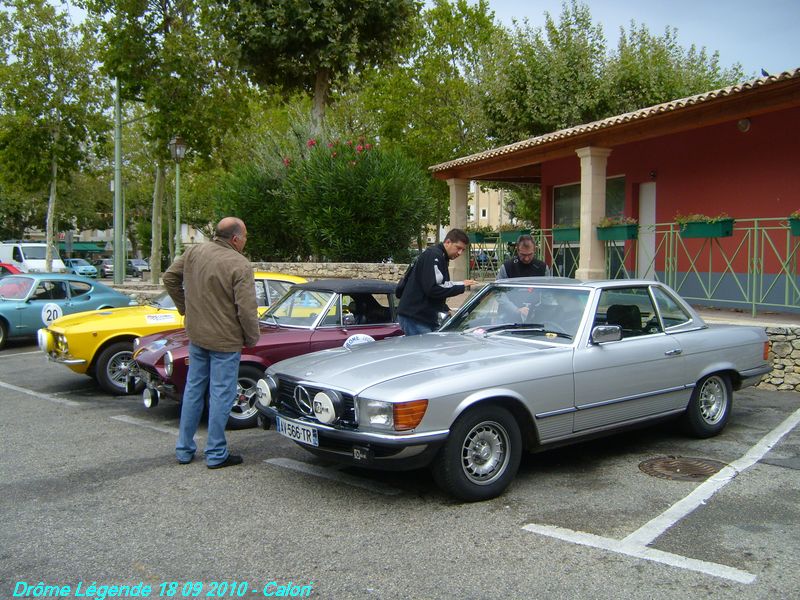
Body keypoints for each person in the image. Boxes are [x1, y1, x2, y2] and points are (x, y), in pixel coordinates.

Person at [163, 216, 260, 469]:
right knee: (221, 394)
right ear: (236, 239)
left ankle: (184, 449)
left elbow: (169, 278)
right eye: (245, 237)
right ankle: (216, 452)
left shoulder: (195, 252)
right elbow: (246, 309)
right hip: (225, 340)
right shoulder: (239, 264)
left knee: (194, 389)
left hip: (197, 335)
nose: (245, 241)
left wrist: (186, 309)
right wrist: (251, 338)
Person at [397, 228, 477, 335]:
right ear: (448, 242)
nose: (460, 253)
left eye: (463, 250)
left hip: (419, 316)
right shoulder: (434, 256)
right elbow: (433, 289)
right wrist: (461, 286)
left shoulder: (440, 256)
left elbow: (435, 286)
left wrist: (444, 308)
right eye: (458, 248)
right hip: (415, 317)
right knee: (426, 350)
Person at [496, 234, 549, 320]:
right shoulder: (507, 267)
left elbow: (547, 294)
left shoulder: (542, 268)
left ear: (534, 249)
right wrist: (515, 309)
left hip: (535, 316)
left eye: (530, 254)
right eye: (523, 255)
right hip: (508, 316)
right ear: (517, 250)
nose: (527, 258)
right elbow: (498, 292)